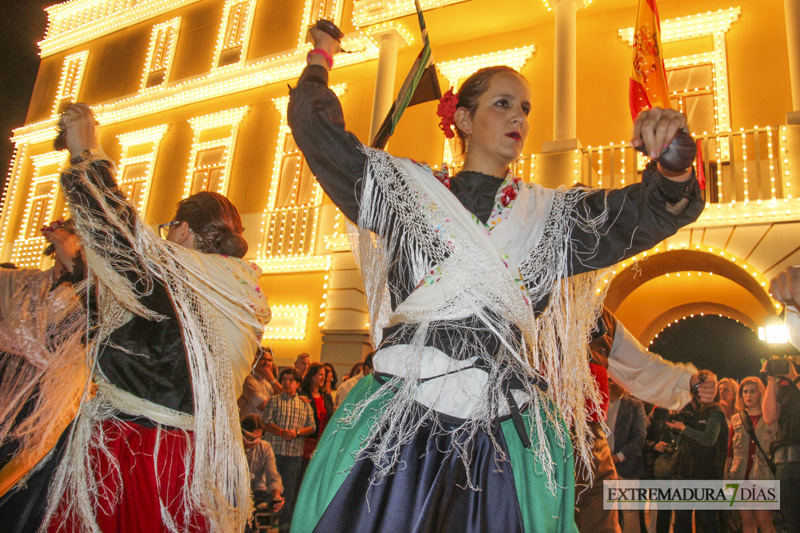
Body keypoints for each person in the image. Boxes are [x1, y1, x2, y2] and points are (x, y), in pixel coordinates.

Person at [288, 26, 703, 532]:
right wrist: (320, 58)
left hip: (504, 435)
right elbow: (322, 138)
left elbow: (641, 214)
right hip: (401, 425)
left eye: (525, 109)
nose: (518, 118)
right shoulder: (405, 191)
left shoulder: (550, 216)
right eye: (503, 103)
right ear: (463, 118)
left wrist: (676, 166)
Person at [2, 103, 272, 532]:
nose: (163, 237)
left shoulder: (184, 275)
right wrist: (78, 271)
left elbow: (122, 237)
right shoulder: (237, 289)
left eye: (168, 228)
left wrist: (86, 152)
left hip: (136, 455)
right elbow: (140, 336)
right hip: (188, 459)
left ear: (183, 230)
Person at [575, 307, 717, 533]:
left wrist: (689, 381)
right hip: (539, 444)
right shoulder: (524, 297)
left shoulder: (599, 316)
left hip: (593, 446)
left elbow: (643, 366)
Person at [0, 219, 87, 527]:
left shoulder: (91, 298)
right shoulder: (25, 283)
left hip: (46, 413)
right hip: (7, 392)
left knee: (21, 495)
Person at [667, 381, 728, 533]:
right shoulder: (689, 409)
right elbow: (678, 438)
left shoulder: (716, 412)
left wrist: (684, 428)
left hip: (706, 474)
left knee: (706, 520)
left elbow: (709, 440)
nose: (700, 392)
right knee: (681, 520)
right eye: (696, 388)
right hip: (684, 472)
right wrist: (675, 426)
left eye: (704, 388)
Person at [263, 368, 316, 533]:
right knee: (269, 490)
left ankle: (285, 528)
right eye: (284, 379)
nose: (287, 382)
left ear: (298, 384)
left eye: (291, 379)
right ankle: (264, 526)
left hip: (294, 455)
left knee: (289, 492)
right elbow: (266, 422)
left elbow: (312, 426)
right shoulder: (274, 400)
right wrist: (281, 432)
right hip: (273, 453)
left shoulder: (304, 403)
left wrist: (297, 433)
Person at [724, 377, 776, 533]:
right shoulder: (736, 419)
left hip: (763, 475)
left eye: (753, 391)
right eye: (745, 392)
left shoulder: (770, 418)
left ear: (760, 393)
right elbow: (730, 451)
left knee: (764, 520)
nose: (748, 395)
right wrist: (725, 476)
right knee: (746, 521)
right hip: (740, 475)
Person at [241, 415, 284, 514]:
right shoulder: (232, 448)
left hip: (258, 492)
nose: (255, 442)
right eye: (250, 438)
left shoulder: (265, 447)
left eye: (258, 438)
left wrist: (276, 497)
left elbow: (273, 475)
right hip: (237, 493)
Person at [298, 363, 334, 472]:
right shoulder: (302, 395)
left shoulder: (326, 397)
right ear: (312, 375)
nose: (323, 378)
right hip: (307, 442)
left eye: (324, 375)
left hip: (323, 441)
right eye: (320, 375)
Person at [239, 346, 283, 419]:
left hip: (263, 427)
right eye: (262, 359)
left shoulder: (267, 381)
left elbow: (286, 395)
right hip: (250, 427)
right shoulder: (248, 379)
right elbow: (263, 405)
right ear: (254, 361)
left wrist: (273, 381)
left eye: (269, 360)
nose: (266, 363)